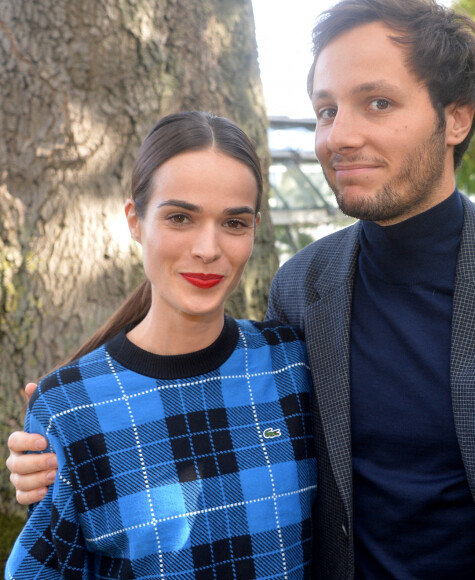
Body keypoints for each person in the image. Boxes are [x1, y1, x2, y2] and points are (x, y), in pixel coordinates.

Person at [7, 0, 475, 578]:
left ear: (456, 118)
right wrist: (67, 443)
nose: (341, 136)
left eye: (377, 103)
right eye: (327, 110)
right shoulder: (304, 288)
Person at [5, 111, 316, 579]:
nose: (208, 248)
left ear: (254, 227)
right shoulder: (68, 407)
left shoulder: (294, 364)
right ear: (135, 219)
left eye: (233, 223)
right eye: (180, 217)